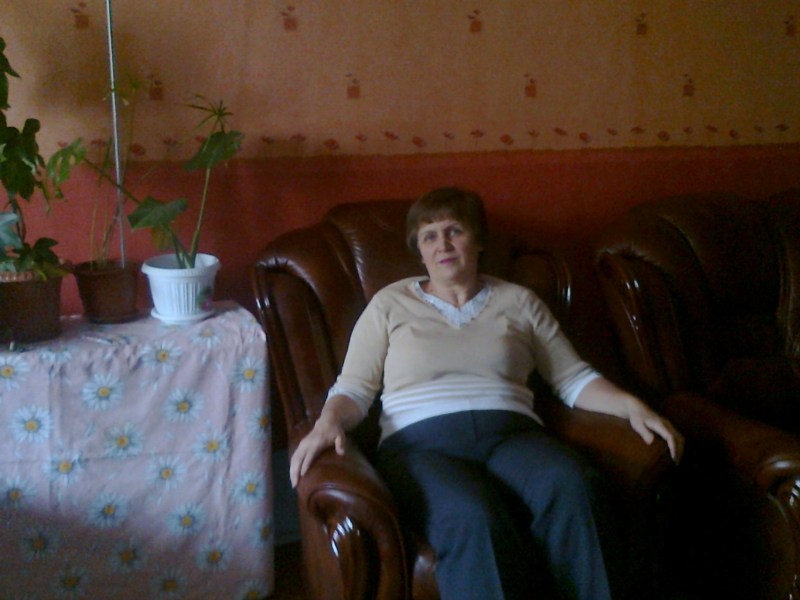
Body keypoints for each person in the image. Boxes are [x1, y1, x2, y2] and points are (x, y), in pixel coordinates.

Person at [289, 187, 684, 600]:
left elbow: (572, 378)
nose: (442, 244)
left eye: (454, 231)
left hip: (512, 436)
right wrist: (328, 421)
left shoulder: (519, 301)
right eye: (429, 236)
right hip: (420, 447)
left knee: (574, 486)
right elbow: (354, 387)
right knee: (472, 517)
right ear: (419, 251)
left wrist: (630, 406)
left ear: (478, 240)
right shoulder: (390, 303)